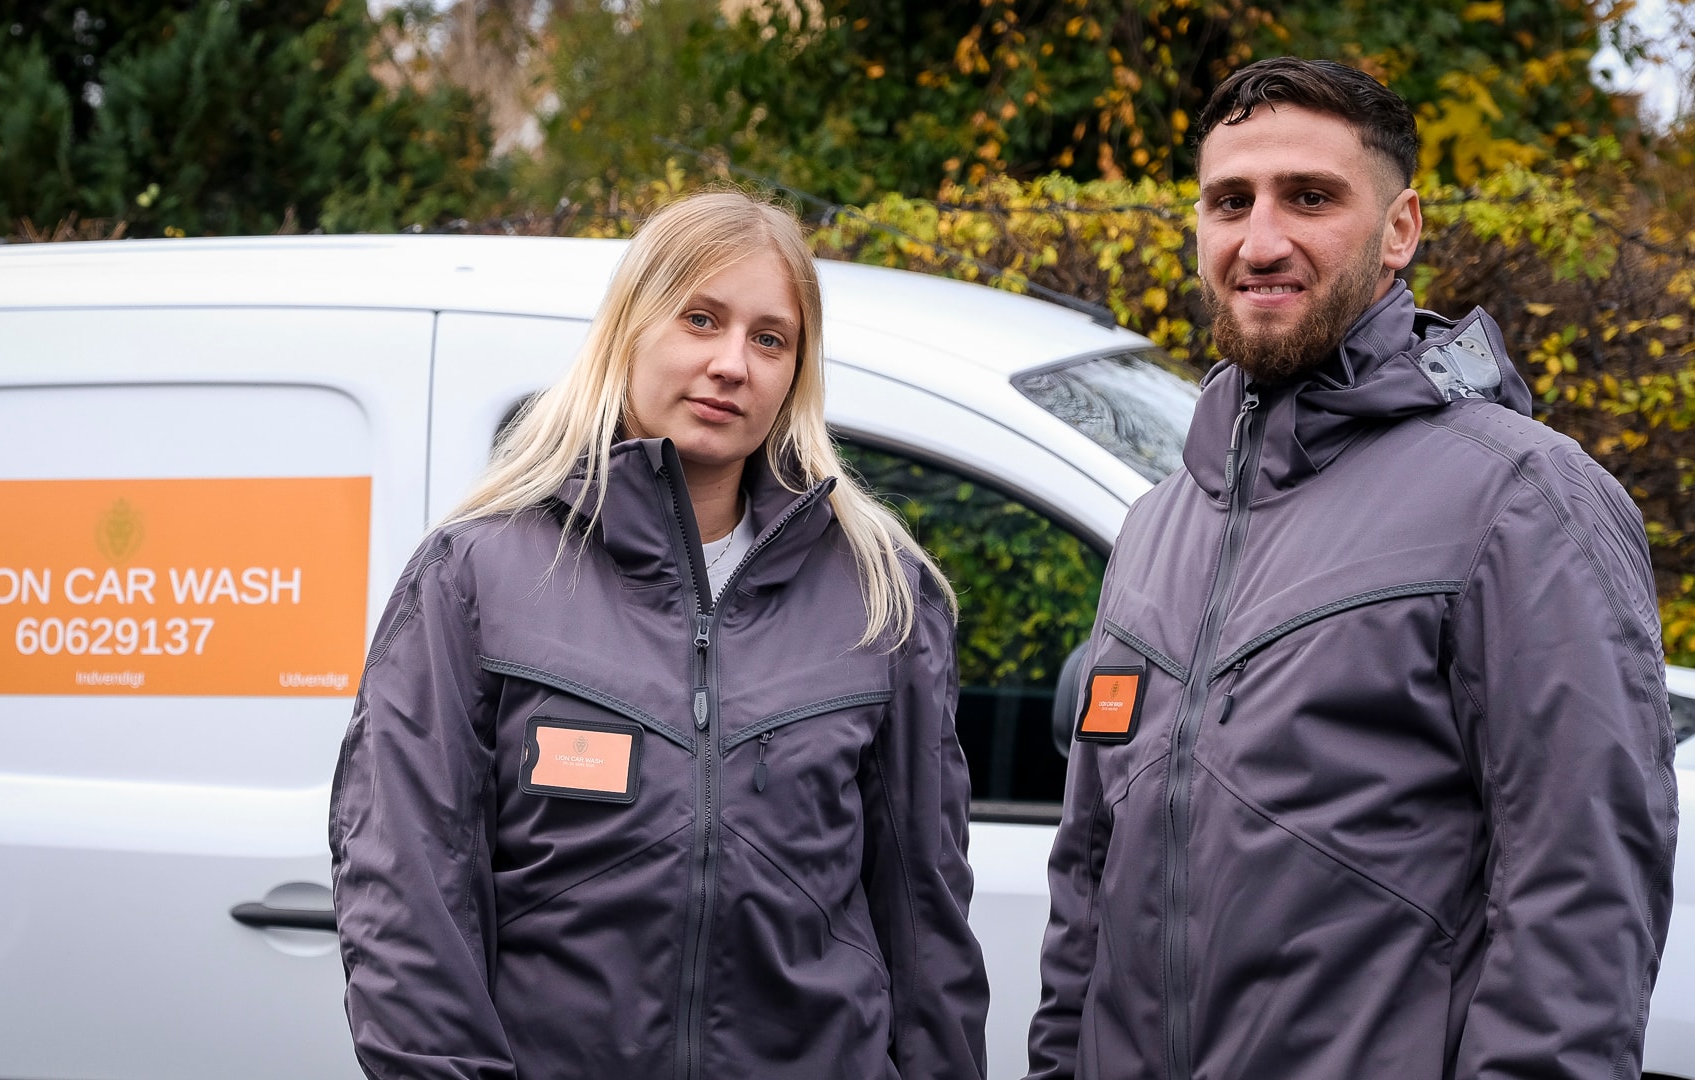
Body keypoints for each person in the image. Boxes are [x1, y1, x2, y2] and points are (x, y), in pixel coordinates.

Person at [1027, 58, 1676, 1080]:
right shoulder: (1157, 525)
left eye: (1309, 198)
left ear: (1399, 228)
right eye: (1229, 201)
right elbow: (1086, 876)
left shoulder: (1520, 501)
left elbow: (1579, 899)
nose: (1260, 241)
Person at [329, 190, 989, 1080]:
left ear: (796, 372)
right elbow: (407, 894)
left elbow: (926, 917)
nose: (731, 364)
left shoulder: (881, 594)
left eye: (769, 339)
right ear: (629, 330)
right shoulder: (475, 575)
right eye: (699, 319)